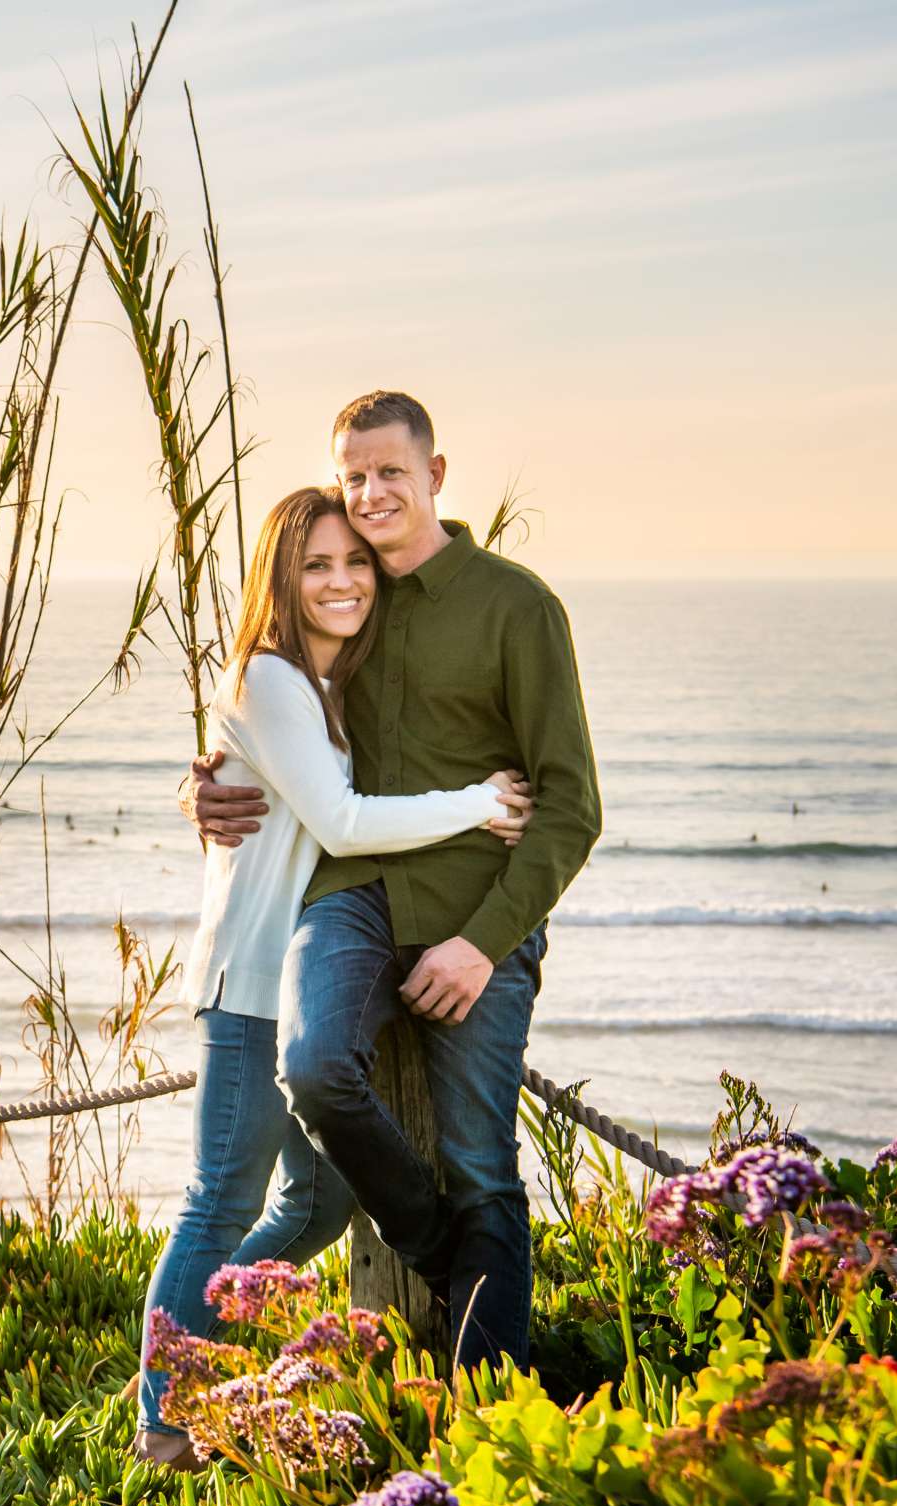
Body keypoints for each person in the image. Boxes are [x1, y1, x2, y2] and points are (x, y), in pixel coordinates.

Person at [187, 390, 601, 1377]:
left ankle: (489, 1410)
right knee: (318, 1067)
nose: (370, 494)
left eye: (391, 474)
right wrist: (202, 786)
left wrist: (484, 943)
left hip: (474, 913)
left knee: (478, 1165)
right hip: (352, 895)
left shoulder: (517, 606)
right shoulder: (344, 597)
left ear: (436, 476)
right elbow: (268, 722)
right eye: (354, 475)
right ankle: (453, 1263)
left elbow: (571, 808)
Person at [134, 482, 533, 1469]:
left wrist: (197, 777)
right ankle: (163, 1422)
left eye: (357, 561)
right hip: (251, 983)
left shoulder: (325, 684)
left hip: (298, 978)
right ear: (283, 574)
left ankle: (203, 1358)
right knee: (217, 1204)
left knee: (317, 1206)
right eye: (318, 564)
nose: (344, 580)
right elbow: (344, 822)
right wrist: (480, 801)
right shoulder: (269, 678)